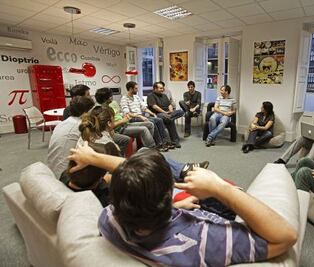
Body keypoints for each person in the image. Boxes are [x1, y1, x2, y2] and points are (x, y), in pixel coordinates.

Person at [67, 143, 297, 266]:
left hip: (169, 213)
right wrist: (220, 188)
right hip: (212, 217)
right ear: (170, 192)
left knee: (150, 154)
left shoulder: (108, 219)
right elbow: (285, 237)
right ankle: (187, 171)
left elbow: (132, 176)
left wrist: (176, 208)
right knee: (171, 165)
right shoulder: (205, 240)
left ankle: (183, 169)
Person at [62, 143, 209, 207]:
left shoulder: (66, 177)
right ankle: (183, 170)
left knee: (145, 152)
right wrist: (177, 206)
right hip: (159, 190)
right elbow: (144, 213)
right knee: (152, 159)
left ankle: (183, 169)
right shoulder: (109, 198)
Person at [47, 96, 95, 178]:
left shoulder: (62, 123)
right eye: (92, 111)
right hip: (65, 176)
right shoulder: (80, 126)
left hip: (53, 171)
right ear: (85, 113)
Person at [120, 81, 171, 151]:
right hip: (133, 118)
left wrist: (153, 114)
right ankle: (159, 144)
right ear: (130, 89)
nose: (137, 90)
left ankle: (165, 142)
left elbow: (144, 108)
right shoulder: (124, 98)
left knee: (159, 119)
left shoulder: (136, 97)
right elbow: (127, 113)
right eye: (136, 88)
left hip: (141, 116)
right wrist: (140, 116)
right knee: (152, 122)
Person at [147, 82, 184, 148]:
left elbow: (169, 104)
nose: (162, 89)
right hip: (158, 114)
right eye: (160, 88)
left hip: (167, 113)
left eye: (163, 88)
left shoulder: (164, 95)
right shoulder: (150, 95)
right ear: (155, 88)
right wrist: (164, 112)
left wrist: (171, 111)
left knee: (181, 112)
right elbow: (154, 107)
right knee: (168, 119)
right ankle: (175, 141)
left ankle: (169, 118)